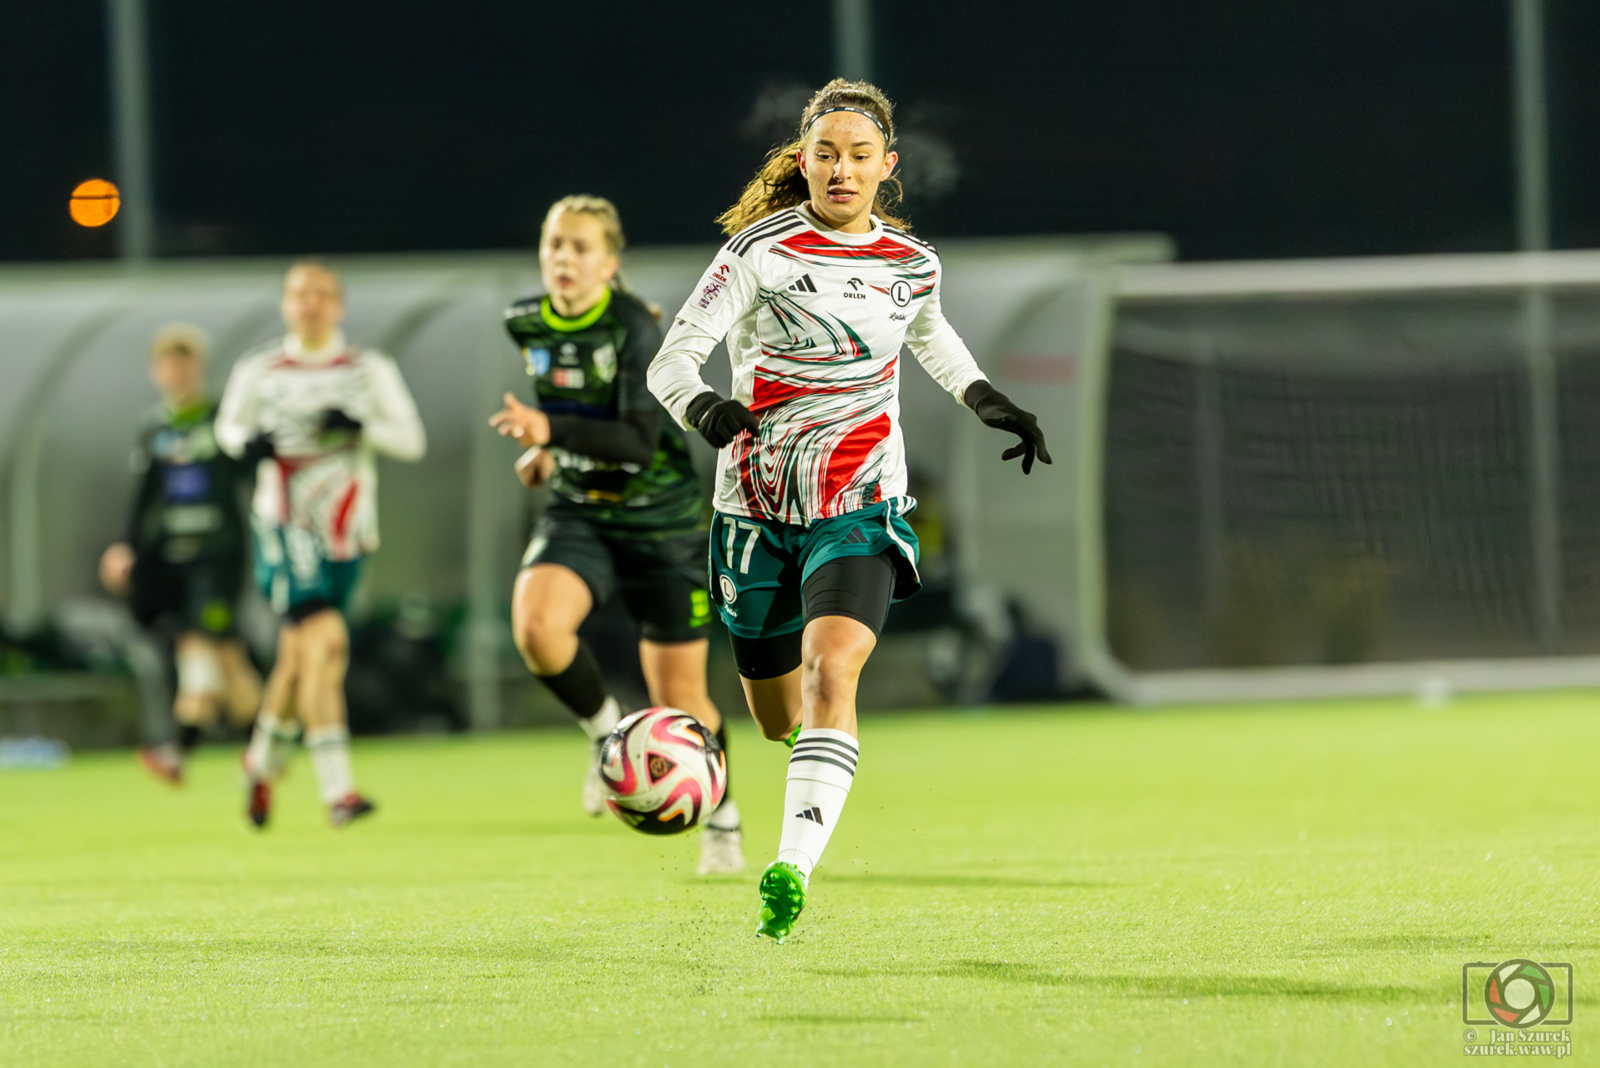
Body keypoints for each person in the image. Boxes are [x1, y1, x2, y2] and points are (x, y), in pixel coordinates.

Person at [647, 80, 1051, 939]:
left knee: (835, 669)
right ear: (804, 161)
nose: (842, 169)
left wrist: (990, 401)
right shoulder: (760, 251)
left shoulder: (912, 265)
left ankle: (789, 868)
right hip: (754, 511)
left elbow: (931, 335)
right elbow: (671, 360)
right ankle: (775, 792)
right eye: (826, 154)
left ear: (886, 168)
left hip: (859, 504)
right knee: (774, 716)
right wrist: (708, 409)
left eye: (859, 156)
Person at [490, 195, 744, 875]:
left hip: (662, 523)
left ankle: (723, 816)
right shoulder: (525, 323)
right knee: (537, 629)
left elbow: (635, 440)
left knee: (682, 698)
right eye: (554, 246)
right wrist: (548, 452)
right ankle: (607, 735)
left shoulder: (634, 326)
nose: (563, 259)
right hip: (581, 513)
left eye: (579, 247)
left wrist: (552, 432)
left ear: (609, 262)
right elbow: (565, 399)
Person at [216, 261, 426, 828]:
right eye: (299, 295)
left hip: (349, 531)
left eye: (320, 294)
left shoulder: (367, 368)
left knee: (295, 659)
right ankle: (339, 792)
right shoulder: (260, 369)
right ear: (286, 305)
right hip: (285, 525)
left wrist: (360, 427)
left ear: (339, 305)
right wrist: (248, 446)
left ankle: (259, 766)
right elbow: (229, 429)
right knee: (326, 645)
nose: (309, 304)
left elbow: (410, 438)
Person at [99, 322, 261, 784]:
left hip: (219, 556)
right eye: (170, 363)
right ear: (157, 371)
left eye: (186, 362)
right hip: (173, 559)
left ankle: (180, 746)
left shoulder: (222, 419)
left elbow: (251, 469)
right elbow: (144, 498)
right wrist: (127, 548)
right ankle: (264, 750)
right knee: (226, 656)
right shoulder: (154, 427)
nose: (179, 371)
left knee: (201, 644)